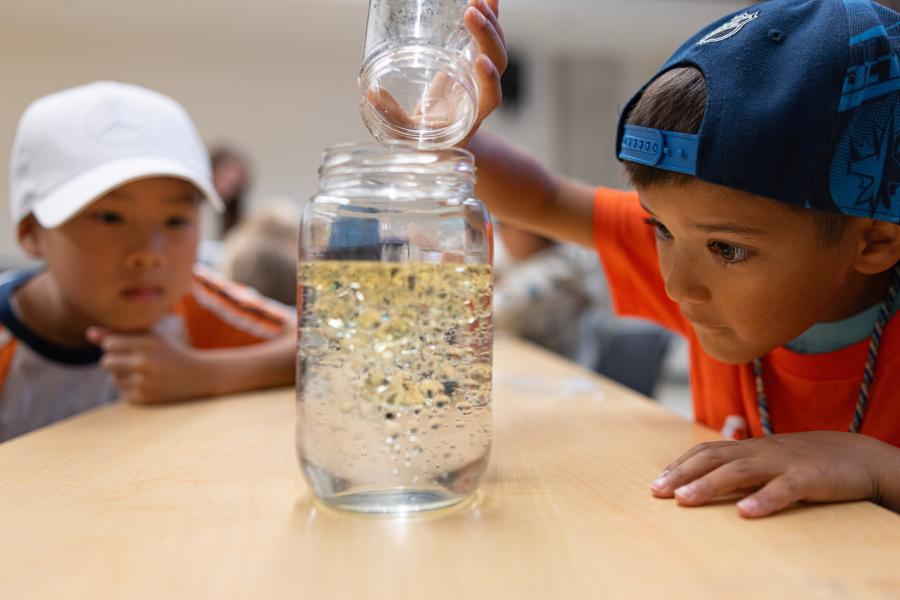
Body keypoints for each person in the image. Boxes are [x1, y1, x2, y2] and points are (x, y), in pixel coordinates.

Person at [461, 0, 900, 517]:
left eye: (728, 250)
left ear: (873, 243)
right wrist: (449, 127)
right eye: (660, 227)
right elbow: (544, 201)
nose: (677, 285)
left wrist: (877, 465)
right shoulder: (705, 254)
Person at [0, 81, 296, 442]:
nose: (149, 253)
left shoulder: (192, 298)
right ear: (32, 232)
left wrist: (199, 374)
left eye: (175, 221)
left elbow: (325, 347)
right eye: (109, 218)